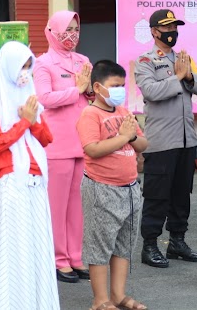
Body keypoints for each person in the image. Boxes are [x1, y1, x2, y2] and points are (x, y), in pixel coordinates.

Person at [0, 41, 60, 310]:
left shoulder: (30, 98)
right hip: (12, 182)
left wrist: (32, 118)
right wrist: (24, 121)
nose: (25, 72)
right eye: (21, 66)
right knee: (15, 249)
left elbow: (47, 137)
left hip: (37, 182)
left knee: (37, 248)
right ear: (8, 67)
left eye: (29, 66)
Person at [134, 9, 197, 268]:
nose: (171, 33)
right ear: (154, 32)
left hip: (187, 140)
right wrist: (177, 78)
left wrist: (188, 75)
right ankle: (150, 245)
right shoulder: (145, 61)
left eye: (174, 27)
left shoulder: (184, 58)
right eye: (166, 28)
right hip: (161, 141)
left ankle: (178, 241)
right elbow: (151, 91)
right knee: (157, 195)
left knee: (181, 194)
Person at [76, 60, 148, 310]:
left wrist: (131, 136)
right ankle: (100, 300)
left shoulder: (124, 112)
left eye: (122, 85)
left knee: (123, 245)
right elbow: (93, 150)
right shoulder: (90, 114)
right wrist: (123, 138)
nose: (119, 90)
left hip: (129, 189)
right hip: (101, 189)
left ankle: (118, 295)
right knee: (100, 245)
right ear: (97, 87)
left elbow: (142, 144)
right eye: (114, 85)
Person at [34, 10, 93, 283]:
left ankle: (76, 255)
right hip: (56, 142)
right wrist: (77, 90)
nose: (72, 35)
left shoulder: (83, 60)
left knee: (78, 204)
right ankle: (58, 259)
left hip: (82, 138)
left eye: (75, 29)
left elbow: (90, 93)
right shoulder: (42, 63)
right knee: (56, 205)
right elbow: (43, 97)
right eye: (66, 29)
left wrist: (90, 89)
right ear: (52, 31)